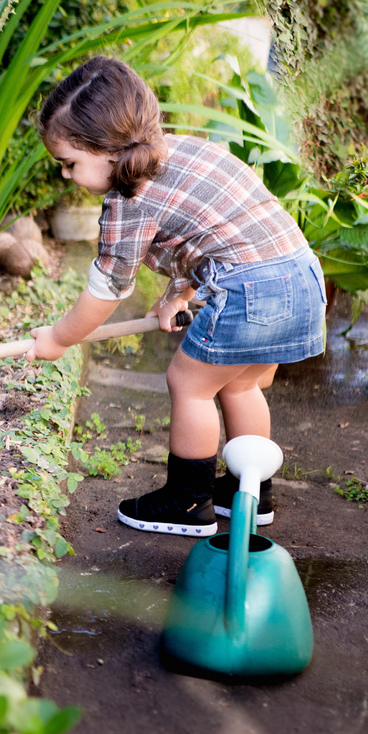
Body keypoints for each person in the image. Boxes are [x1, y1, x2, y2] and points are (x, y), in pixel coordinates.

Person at [26, 56, 326, 536]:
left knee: (190, 385)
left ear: (106, 148)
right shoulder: (188, 152)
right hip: (301, 279)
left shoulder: (129, 199)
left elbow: (108, 287)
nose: (66, 176)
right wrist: (176, 295)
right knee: (239, 384)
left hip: (248, 292)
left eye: (69, 164)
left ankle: (187, 503)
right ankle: (251, 492)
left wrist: (60, 339)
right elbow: (215, 234)